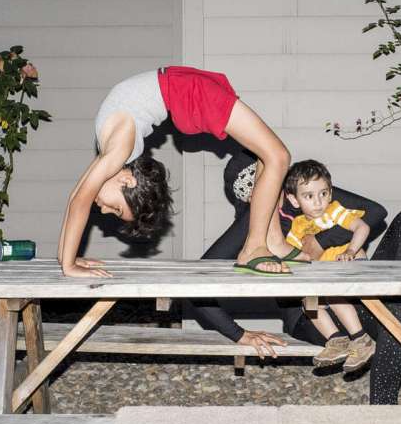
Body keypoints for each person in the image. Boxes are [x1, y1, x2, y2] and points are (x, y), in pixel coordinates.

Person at [187, 151, 401, 405]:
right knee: (398, 314)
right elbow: (194, 286)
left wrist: (322, 240)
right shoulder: (252, 225)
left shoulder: (310, 194)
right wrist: (239, 334)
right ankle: (397, 382)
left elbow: (374, 212)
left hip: (353, 286)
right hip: (315, 314)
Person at [57, 66, 290, 278]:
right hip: (181, 86)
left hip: (187, 90)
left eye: (116, 209)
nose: (103, 210)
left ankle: (255, 246)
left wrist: (68, 265)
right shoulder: (111, 152)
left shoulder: (117, 152)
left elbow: (79, 201)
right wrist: (66, 259)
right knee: (270, 155)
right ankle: (271, 240)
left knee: (276, 157)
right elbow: (75, 198)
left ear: (127, 180)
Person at [278, 160, 375, 373]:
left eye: (323, 193)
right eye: (309, 196)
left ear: (330, 193)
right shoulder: (297, 226)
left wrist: (351, 250)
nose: (318, 202)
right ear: (294, 200)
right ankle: (336, 341)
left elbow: (362, 227)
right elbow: (293, 254)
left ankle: (361, 339)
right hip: (323, 276)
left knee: (333, 296)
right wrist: (285, 264)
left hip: (345, 267)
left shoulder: (334, 211)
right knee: (310, 304)